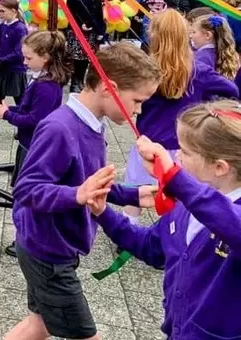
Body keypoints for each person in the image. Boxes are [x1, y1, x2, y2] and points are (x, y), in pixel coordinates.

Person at [7, 43, 162, 340]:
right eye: (137, 101)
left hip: (52, 247)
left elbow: (85, 181)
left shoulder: (94, 123)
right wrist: (76, 195)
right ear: (108, 87)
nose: (138, 110)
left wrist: (132, 194)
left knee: (39, 325)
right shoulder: (60, 128)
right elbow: (27, 188)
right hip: (48, 252)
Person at [87, 100, 241, 340]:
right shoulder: (187, 202)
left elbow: (229, 222)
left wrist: (174, 177)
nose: (177, 155)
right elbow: (152, 246)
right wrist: (103, 213)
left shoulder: (211, 206)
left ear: (219, 167)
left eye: (186, 152)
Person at [124, 9, 238, 223]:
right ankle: (174, 235)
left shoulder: (144, 69)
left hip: (147, 143)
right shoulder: (199, 70)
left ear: (154, 35)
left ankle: (127, 235)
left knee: (135, 193)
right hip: (183, 148)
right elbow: (232, 91)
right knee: (181, 195)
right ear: (184, 34)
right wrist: (208, 110)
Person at [0, 30, 70, 257]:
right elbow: (28, 111)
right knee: (23, 190)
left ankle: (26, 238)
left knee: (25, 193)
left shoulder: (46, 85)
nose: (24, 62)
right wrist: (6, 110)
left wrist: (6, 115)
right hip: (29, 144)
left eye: (28, 58)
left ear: (45, 57)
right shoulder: (44, 80)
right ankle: (25, 236)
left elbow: (35, 120)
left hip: (33, 146)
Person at [0, 0, 28, 137]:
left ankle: (21, 126)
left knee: (20, 99)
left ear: (14, 11)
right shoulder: (3, 25)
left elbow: (19, 52)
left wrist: (1, 60)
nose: (0, 14)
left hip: (16, 69)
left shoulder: (20, 28)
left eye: (3, 11)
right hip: (3, 67)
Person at [65, 0, 107, 93]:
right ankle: (75, 82)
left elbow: (99, 15)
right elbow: (70, 13)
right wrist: (79, 24)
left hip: (92, 32)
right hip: (77, 31)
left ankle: (81, 80)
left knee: (87, 58)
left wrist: (101, 31)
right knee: (78, 57)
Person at [190, 14, 240, 81]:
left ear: (208, 35)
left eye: (194, 32)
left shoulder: (201, 58)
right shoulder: (225, 54)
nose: (190, 36)